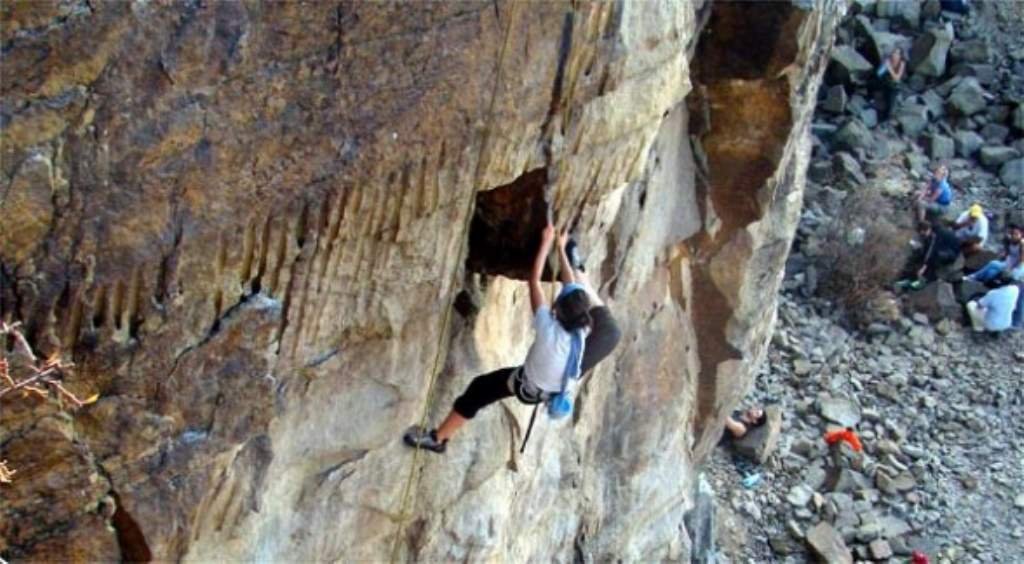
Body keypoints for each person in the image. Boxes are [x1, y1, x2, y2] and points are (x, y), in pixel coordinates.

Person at [404, 224, 620, 454]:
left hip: (527, 386)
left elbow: (534, 281)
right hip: (554, 386)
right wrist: (560, 248)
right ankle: (575, 261)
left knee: (479, 389)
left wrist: (546, 243)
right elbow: (571, 289)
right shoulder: (583, 329)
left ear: (556, 311)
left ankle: (438, 439)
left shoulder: (548, 330)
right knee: (610, 331)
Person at [874, 47, 906, 121]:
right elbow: (879, 74)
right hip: (885, 83)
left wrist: (890, 68)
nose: (895, 55)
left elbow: (897, 78)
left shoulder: (901, 63)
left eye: (897, 53)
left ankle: (888, 118)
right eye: (894, 53)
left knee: (891, 100)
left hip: (895, 85)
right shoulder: (888, 61)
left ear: (900, 56)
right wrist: (884, 66)